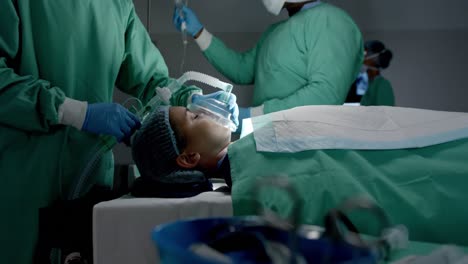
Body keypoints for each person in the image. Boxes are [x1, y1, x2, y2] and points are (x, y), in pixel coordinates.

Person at [0, 1, 238, 263]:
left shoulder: (116, 6)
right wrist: (71, 111)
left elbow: (156, 84)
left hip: (88, 178)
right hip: (23, 177)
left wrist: (191, 98)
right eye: (194, 116)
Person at [131, 105, 468, 247]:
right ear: (189, 157)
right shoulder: (256, 181)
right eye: (192, 115)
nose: (204, 110)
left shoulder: (251, 145)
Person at [173, 0, 364, 131]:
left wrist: (255, 116)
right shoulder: (275, 31)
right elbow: (242, 71)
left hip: (306, 149)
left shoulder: (331, 20)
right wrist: (199, 32)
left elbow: (326, 95)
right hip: (266, 142)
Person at [358, 40, 395, 106]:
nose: (361, 56)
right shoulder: (362, 83)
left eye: (365, 53)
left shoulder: (382, 85)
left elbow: (385, 114)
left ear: (375, 58)